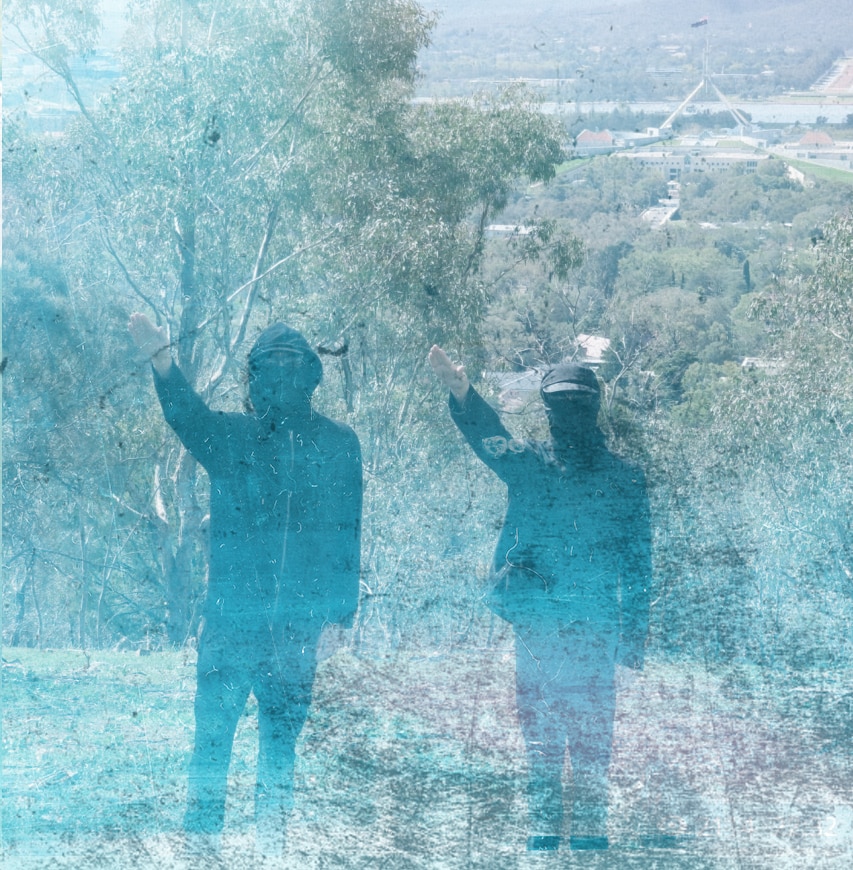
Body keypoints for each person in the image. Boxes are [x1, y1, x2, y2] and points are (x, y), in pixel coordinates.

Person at [129, 313, 362, 858]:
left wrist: (340, 618)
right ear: (253, 377)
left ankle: (269, 856)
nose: (280, 376)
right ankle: (203, 856)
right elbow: (186, 416)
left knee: (276, 755)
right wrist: (162, 362)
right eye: (269, 366)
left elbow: (347, 533)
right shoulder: (231, 436)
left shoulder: (337, 444)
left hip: (292, 635)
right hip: (233, 629)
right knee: (214, 750)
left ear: (311, 374)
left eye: (290, 364)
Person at [428, 345, 651, 852]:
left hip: (586, 631)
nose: (568, 414)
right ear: (548, 409)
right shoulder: (533, 464)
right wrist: (463, 394)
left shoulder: (621, 477)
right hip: (547, 629)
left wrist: (632, 644)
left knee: (583, 741)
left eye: (576, 404)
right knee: (547, 738)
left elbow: (640, 564)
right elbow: (490, 439)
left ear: (593, 407)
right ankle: (549, 841)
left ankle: (581, 842)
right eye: (560, 404)